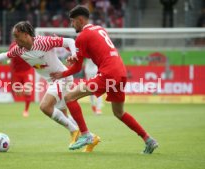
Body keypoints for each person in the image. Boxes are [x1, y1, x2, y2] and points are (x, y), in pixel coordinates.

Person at [50, 5, 158, 154]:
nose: (72, 24)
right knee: (119, 113)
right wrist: (72, 52)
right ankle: (148, 140)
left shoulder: (82, 36)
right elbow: (92, 52)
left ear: (80, 20)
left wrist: (61, 74)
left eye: (73, 21)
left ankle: (86, 135)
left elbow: (77, 68)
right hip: (120, 73)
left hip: (108, 74)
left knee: (69, 97)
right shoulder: (100, 29)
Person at [0, 21, 98, 151]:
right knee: (63, 114)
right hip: (52, 81)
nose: (15, 39)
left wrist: (74, 55)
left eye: (17, 36)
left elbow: (70, 41)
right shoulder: (18, 48)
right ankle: (91, 138)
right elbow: (6, 54)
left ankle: (74, 131)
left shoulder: (43, 42)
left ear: (26, 35)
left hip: (62, 78)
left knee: (45, 106)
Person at [8, 41, 34, 117]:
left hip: (27, 71)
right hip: (16, 73)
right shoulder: (12, 46)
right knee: (18, 94)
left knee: (27, 91)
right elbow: (9, 56)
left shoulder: (29, 44)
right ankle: (20, 90)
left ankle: (26, 110)